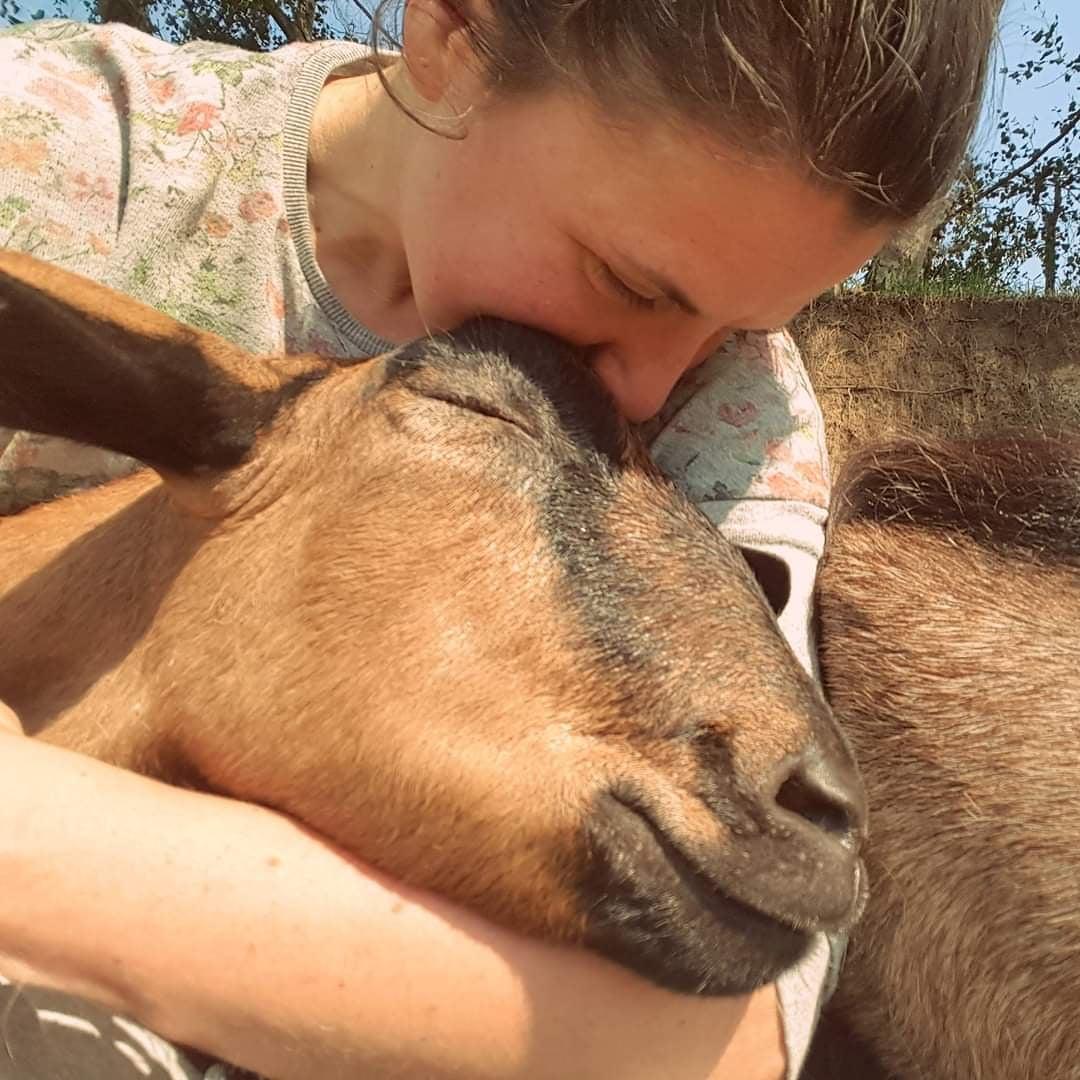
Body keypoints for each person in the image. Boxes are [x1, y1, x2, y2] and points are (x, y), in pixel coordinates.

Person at [0, 1, 1000, 1076]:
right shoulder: (57, 146)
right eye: (630, 281)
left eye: (745, 324)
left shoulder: (738, 417)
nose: (655, 389)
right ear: (452, 36)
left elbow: (732, 1041)